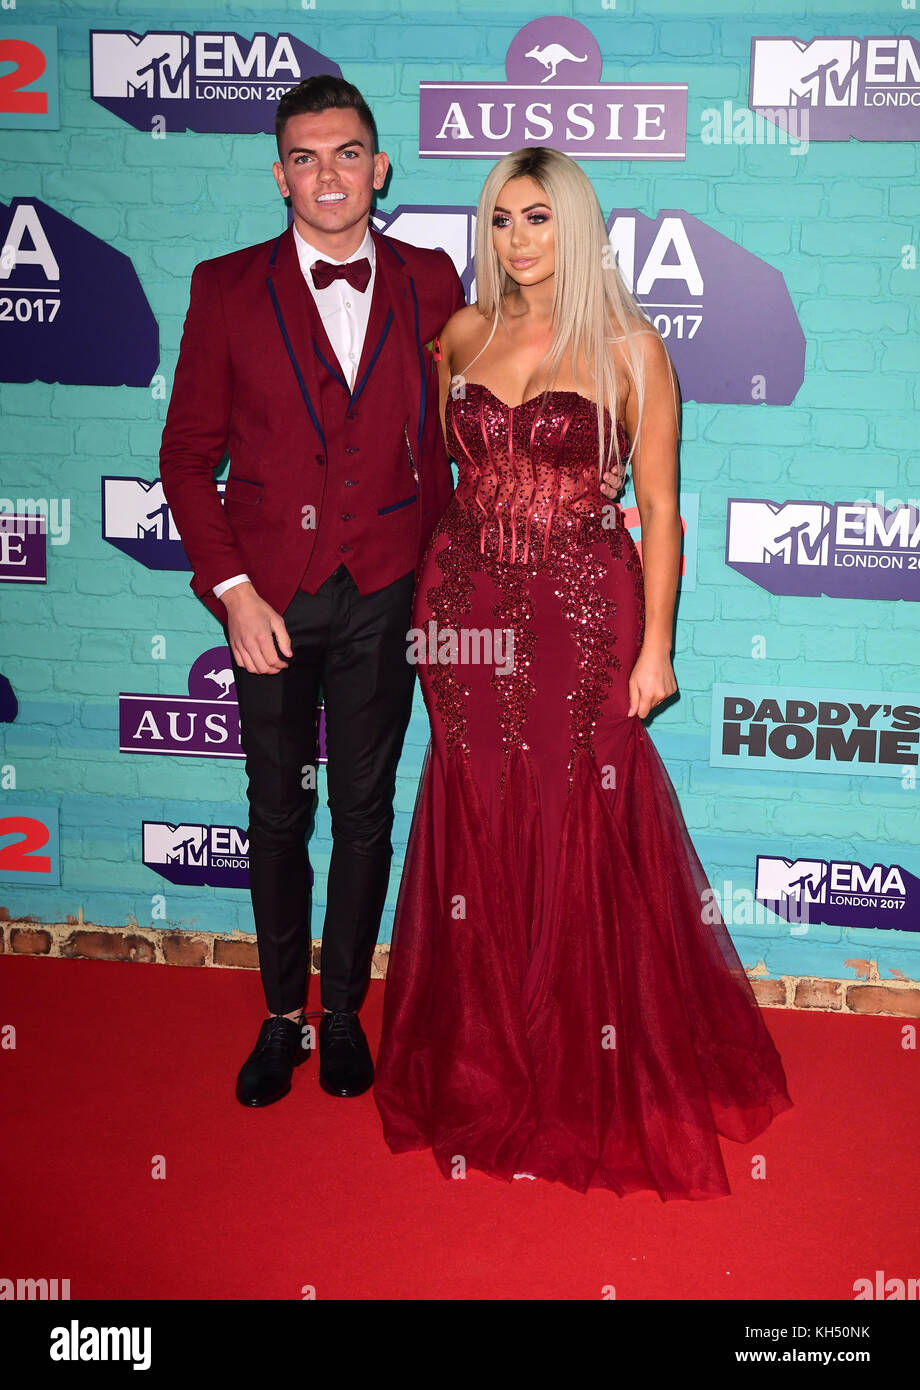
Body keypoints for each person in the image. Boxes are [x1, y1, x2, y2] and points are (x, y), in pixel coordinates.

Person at [373, 146, 793, 1199]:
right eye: (501, 219)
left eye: (538, 218)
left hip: (582, 610)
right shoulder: (461, 333)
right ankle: (484, 1066)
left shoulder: (630, 347)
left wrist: (657, 646)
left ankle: (578, 1074)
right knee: (476, 805)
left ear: (577, 225)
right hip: (461, 606)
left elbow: (659, 510)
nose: (518, 240)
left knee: (576, 810)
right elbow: (441, 478)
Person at [159, 76, 466, 1106]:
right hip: (271, 601)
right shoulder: (224, 287)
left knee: (366, 810)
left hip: (387, 590)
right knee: (278, 812)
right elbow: (186, 455)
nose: (327, 175)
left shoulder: (433, 279)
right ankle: (281, 1017)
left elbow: (476, 414)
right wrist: (235, 592)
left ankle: (341, 1015)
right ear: (279, 175)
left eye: (346, 153)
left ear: (379, 169)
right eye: (305, 157)